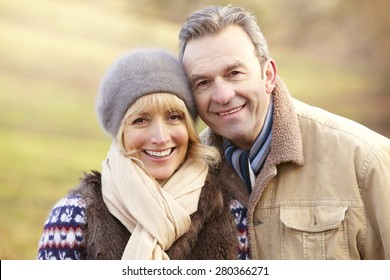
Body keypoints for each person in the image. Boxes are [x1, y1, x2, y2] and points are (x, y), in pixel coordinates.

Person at [178, 5, 390, 260]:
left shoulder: (366, 161)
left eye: (234, 73)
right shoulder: (187, 171)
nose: (222, 96)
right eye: (203, 83)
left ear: (268, 75)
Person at [37, 49, 238, 260]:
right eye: (140, 120)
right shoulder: (73, 218)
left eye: (174, 117)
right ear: (120, 132)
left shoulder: (230, 213)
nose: (160, 137)